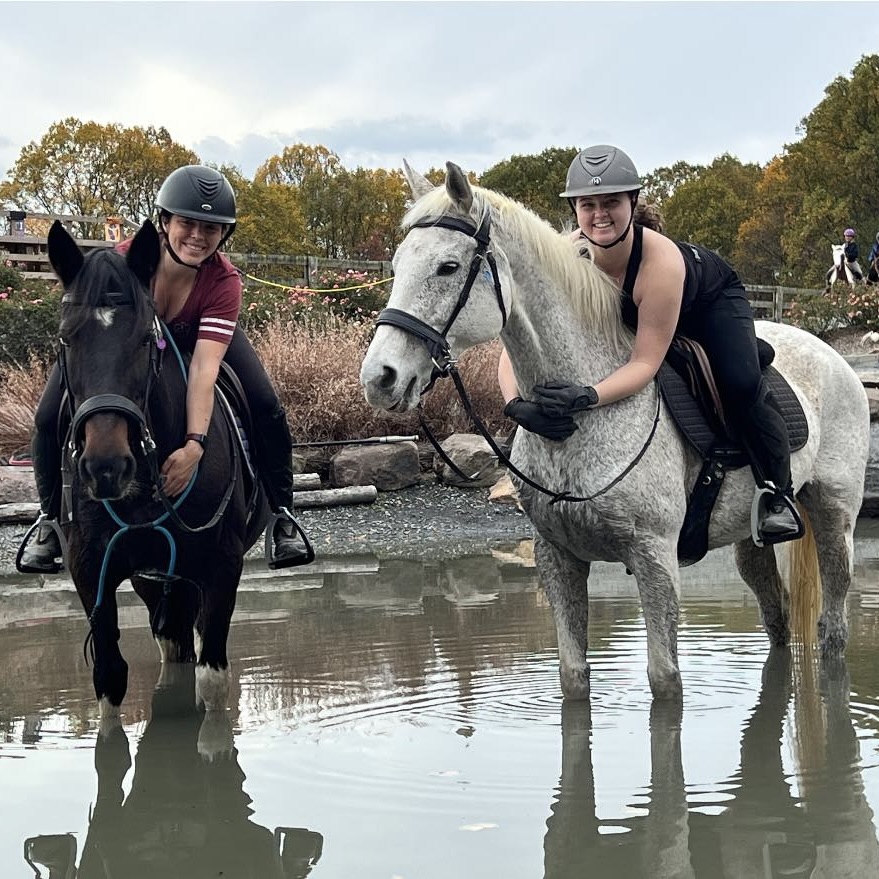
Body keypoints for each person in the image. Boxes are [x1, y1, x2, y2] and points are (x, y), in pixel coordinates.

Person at [498, 144, 801, 544]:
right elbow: (522, 339)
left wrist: (587, 396)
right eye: (588, 204)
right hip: (642, 310)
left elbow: (645, 363)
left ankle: (778, 495)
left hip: (707, 303)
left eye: (611, 202)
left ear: (632, 201)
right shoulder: (566, 256)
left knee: (741, 381)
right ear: (575, 209)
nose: (599, 214)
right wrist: (515, 405)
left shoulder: (660, 264)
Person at [18, 165, 309, 572]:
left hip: (200, 338)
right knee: (47, 417)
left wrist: (195, 445)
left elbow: (204, 370)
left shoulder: (224, 282)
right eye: (187, 223)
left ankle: (282, 515)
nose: (197, 236)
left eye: (211, 228)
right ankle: (48, 521)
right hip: (124, 345)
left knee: (266, 403)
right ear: (164, 221)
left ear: (224, 233)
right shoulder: (125, 261)